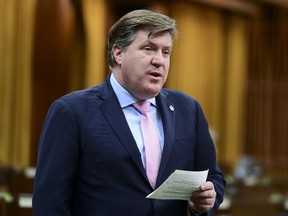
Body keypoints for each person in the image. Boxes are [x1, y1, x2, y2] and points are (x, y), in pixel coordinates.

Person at [32, 9, 225, 216]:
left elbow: (214, 177)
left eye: (166, 52)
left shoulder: (188, 109)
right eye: (149, 49)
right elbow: (50, 203)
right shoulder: (72, 112)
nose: (159, 60)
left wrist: (202, 202)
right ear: (118, 53)